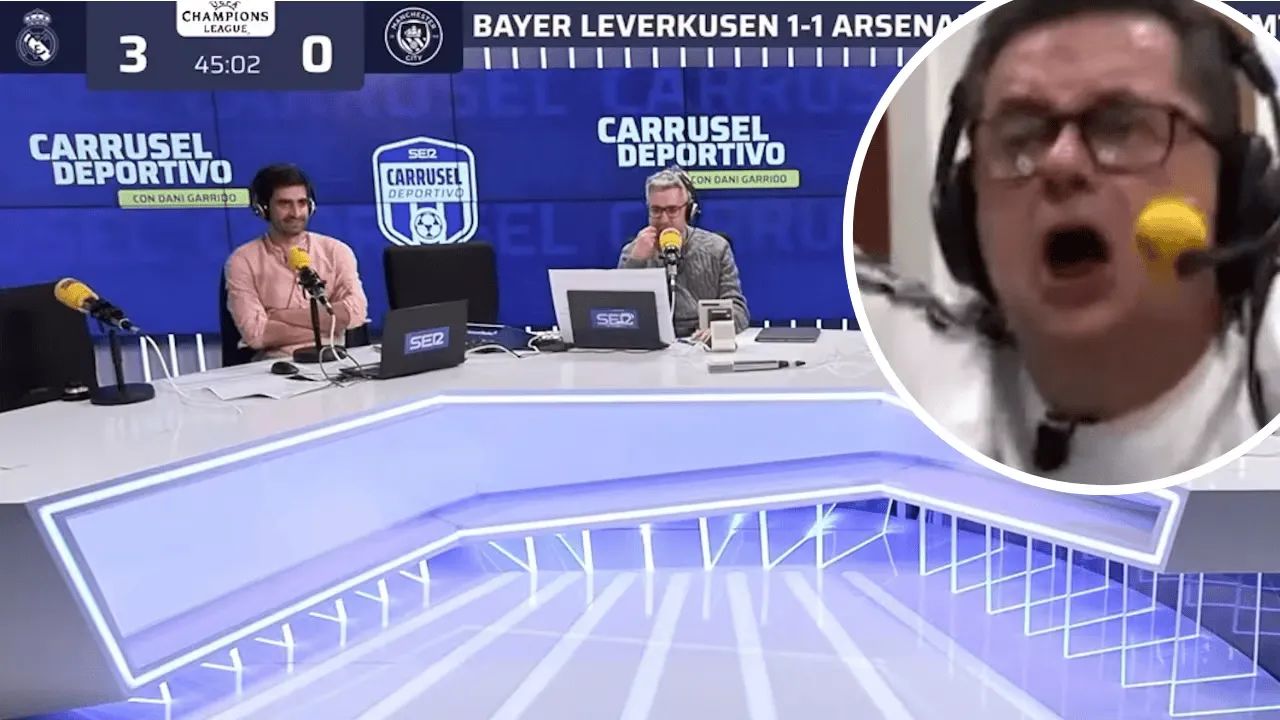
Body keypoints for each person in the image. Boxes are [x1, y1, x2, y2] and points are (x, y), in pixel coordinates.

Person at [857, 0, 1280, 485]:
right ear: (966, 210)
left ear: (1231, 187)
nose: (1060, 163)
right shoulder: (909, 371)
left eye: (1121, 125)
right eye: (1020, 136)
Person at [225, 164, 369, 360]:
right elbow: (256, 334)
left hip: (335, 359)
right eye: (284, 204)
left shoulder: (336, 251)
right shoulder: (242, 260)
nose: (295, 213)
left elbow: (356, 313)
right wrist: (330, 326)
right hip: (276, 366)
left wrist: (279, 316)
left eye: (302, 203)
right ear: (262, 208)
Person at [618, 167, 750, 338]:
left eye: (672, 210)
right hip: (651, 346)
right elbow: (620, 313)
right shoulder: (633, 252)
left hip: (702, 345)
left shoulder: (717, 248)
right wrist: (636, 263)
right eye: (656, 210)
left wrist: (719, 331)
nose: (664, 219)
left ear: (689, 212)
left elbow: (738, 310)